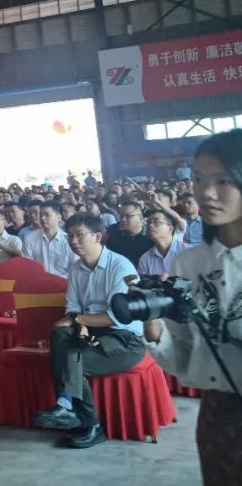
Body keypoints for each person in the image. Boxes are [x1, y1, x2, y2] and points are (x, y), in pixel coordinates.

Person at [143, 130, 242, 482]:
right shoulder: (189, 265)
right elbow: (185, 355)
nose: (207, 193)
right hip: (218, 415)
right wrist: (154, 326)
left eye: (222, 181)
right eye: (199, 180)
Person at [32, 214, 145, 449]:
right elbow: (73, 307)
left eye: (79, 235)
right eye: (69, 236)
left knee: (73, 363)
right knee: (59, 333)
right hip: (93, 332)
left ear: (97, 236)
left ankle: (89, 422)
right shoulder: (76, 268)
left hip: (124, 339)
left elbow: (116, 316)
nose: (73, 241)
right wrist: (78, 322)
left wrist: (78, 319)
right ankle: (66, 407)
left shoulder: (120, 266)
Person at [22, 201, 75, 278]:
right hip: (38, 281)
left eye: (47, 215)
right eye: (41, 215)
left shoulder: (68, 240)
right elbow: (28, 265)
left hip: (63, 282)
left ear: (59, 217)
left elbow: (74, 268)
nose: (42, 218)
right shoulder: (30, 238)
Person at [137, 209, 188, 277]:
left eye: (156, 222)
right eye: (148, 222)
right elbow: (143, 283)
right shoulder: (145, 259)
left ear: (170, 229)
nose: (151, 225)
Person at [105, 200, 154, 267]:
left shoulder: (151, 238)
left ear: (140, 218)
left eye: (128, 216)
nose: (123, 219)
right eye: (121, 216)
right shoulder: (113, 239)